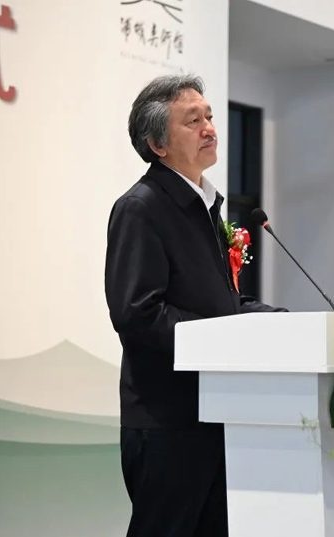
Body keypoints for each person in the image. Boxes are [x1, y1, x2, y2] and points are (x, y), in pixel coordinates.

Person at [105, 74, 286, 537]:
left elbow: (218, 303)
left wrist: (278, 322)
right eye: (192, 121)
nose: (209, 128)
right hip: (167, 422)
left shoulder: (204, 206)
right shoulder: (141, 208)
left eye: (209, 116)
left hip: (216, 412)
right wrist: (222, 338)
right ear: (157, 144)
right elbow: (137, 312)